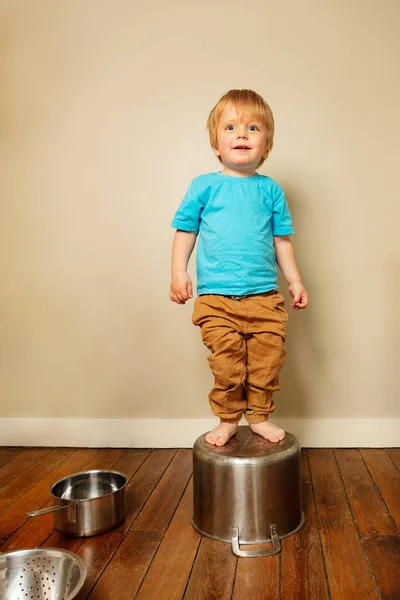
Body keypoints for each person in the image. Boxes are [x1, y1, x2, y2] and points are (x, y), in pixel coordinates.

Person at [170, 89, 308, 447]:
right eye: (231, 127)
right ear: (216, 144)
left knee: (267, 360)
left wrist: (294, 281)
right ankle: (228, 418)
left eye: (252, 128)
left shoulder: (271, 190)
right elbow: (186, 231)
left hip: (265, 298)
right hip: (216, 299)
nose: (242, 134)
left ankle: (259, 415)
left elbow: (281, 242)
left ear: (267, 147)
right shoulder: (205, 187)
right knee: (228, 365)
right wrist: (178, 273)